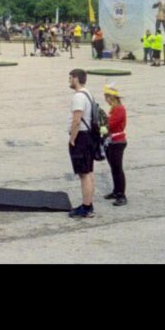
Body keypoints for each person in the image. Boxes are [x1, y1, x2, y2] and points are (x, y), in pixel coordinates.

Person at [67, 68, 98, 218]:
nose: (69, 81)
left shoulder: (79, 97)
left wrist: (72, 138)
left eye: (70, 78)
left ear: (76, 79)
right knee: (89, 172)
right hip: (89, 136)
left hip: (81, 138)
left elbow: (77, 120)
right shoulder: (88, 94)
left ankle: (86, 208)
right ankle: (88, 204)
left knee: (84, 174)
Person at [102, 83, 127, 206]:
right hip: (112, 141)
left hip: (117, 142)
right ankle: (116, 191)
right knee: (114, 168)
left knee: (117, 169)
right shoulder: (114, 108)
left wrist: (102, 125)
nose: (106, 100)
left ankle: (121, 195)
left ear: (111, 97)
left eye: (106, 98)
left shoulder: (119, 109)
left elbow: (110, 125)